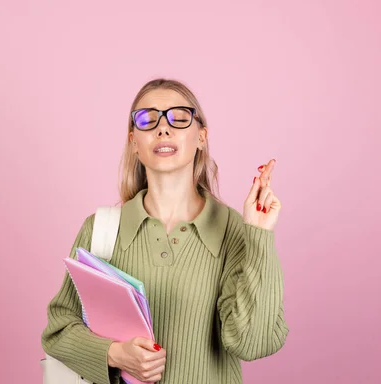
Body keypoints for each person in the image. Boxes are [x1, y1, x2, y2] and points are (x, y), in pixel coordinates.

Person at [41, 78, 289, 383]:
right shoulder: (101, 229)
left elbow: (253, 342)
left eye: (179, 117)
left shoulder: (233, 231)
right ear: (134, 142)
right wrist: (115, 354)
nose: (163, 128)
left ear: (201, 136)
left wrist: (259, 234)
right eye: (147, 119)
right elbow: (58, 330)